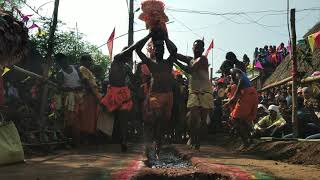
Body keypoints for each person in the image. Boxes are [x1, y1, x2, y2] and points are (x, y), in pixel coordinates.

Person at [135, 29, 177, 158]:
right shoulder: (150, 62)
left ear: (164, 50)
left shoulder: (168, 62)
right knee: (155, 119)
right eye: (157, 48)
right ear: (154, 49)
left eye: (161, 48)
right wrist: (149, 36)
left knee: (162, 123)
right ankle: (149, 146)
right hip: (155, 95)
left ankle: (158, 147)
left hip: (168, 96)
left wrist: (165, 38)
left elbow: (174, 50)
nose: (159, 50)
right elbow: (137, 49)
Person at [174, 39, 214, 150]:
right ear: (192, 48)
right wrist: (164, 38)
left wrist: (175, 61)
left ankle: (197, 141)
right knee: (193, 117)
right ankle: (193, 137)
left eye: (199, 47)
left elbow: (190, 70)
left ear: (202, 49)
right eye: (195, 47)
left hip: (205, 93)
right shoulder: (190, 59)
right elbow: (176, 53)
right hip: (193, 92)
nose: (196, 49)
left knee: (202, 121)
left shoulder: (203, 59)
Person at [101, 46, 135, 152]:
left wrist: (133, 87)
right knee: (108, 116)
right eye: (127, 55)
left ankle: (123, 140)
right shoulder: (115, 61)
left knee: (123, 118)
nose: (128, 57)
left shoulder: (126, 67)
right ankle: (109, 138)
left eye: (129, 56)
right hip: (113, 92)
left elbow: (133, 79)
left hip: (122, 92)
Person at [223, 68, 258, 146]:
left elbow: (241, 80)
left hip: (247, 94)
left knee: (234, 119)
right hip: (252, 93)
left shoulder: (233, 71)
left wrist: (234, 96)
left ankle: (246, 142)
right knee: (243, 119)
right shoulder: (239, 73)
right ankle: (251, 137)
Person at [55, 53, 84, 146]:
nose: (64, 63)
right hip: (69, 99)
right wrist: (71, 89)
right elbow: (60, 87)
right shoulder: (60, 73)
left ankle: (79, 140)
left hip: (81, 96)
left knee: (81, 118)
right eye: (61, 62)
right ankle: (73, 141)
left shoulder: (76, 68)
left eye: (65, 60)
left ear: (67, 59)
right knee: (71, 119)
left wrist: (81, 87)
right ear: (59, 63)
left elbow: (84, 80)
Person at [78, 55, 102, 144]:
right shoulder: (82, 68)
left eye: (90, 61)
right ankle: (84, 138)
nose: (91, 62)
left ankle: (89, 137)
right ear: (83, 61)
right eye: (89, 60)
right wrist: (94, 94)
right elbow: (86, 82)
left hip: (92, 95)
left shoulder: (87, 70)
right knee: (87, 118)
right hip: (88, 95)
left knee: (92, 117)